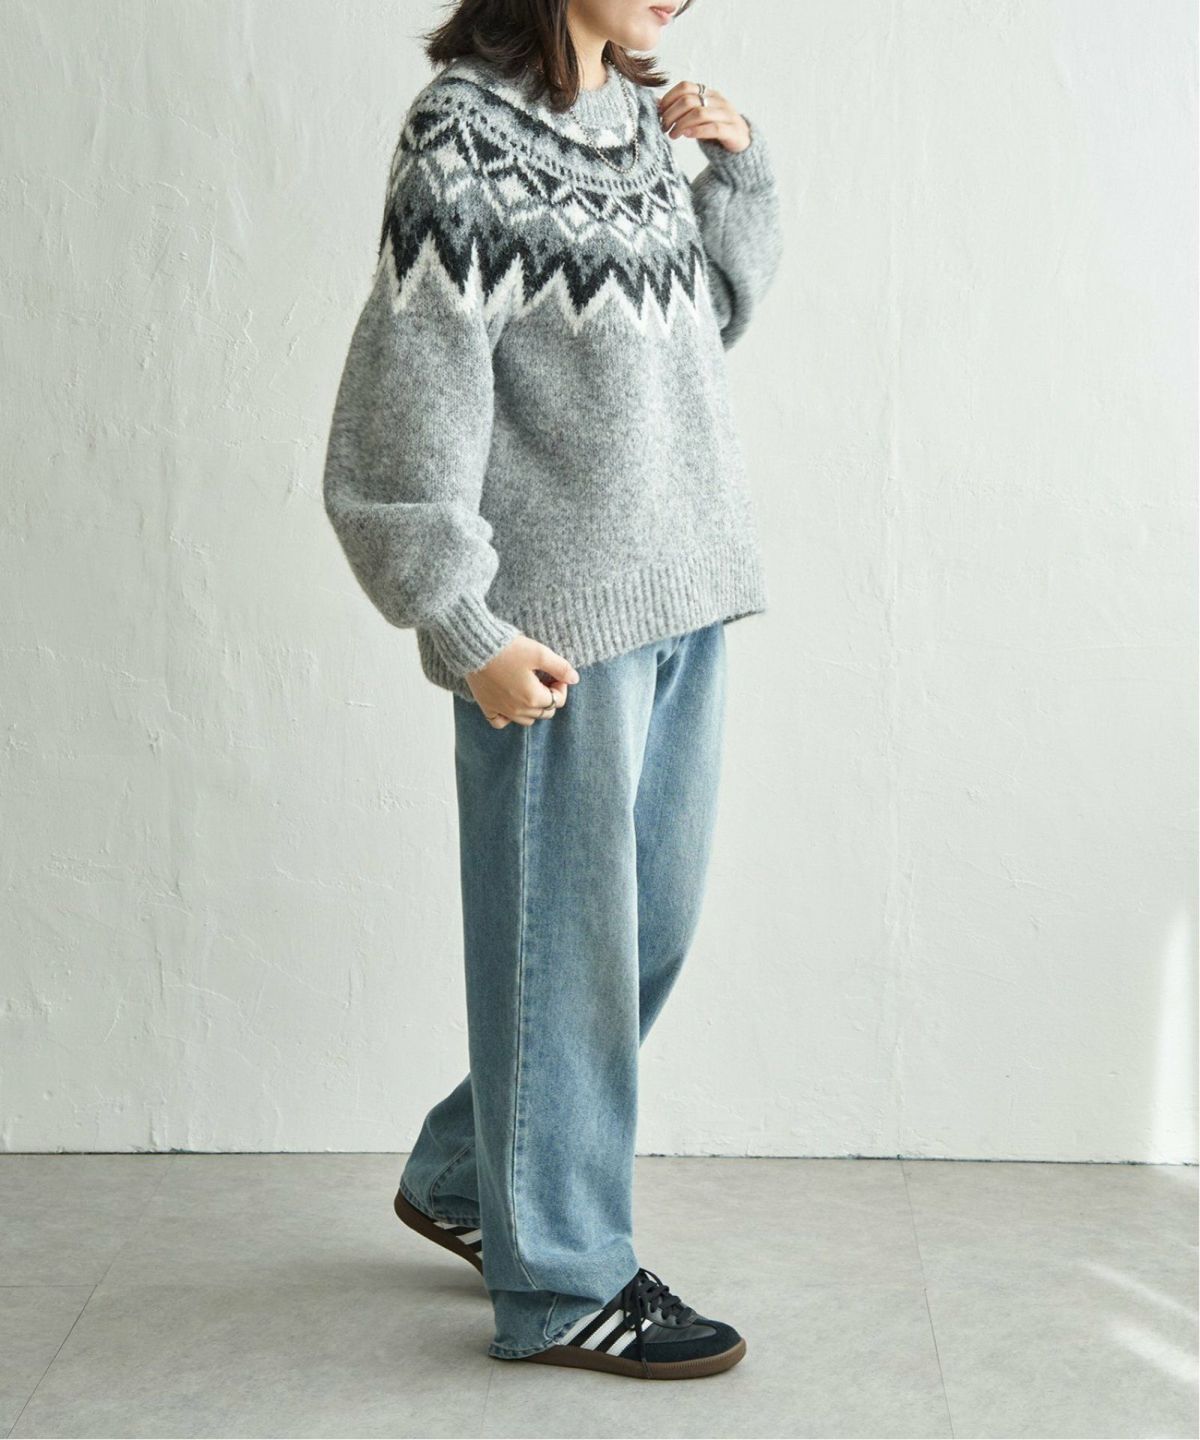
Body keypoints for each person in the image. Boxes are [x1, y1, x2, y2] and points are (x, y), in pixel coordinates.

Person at [321, 0, 782, 1381]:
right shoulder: (462, 134)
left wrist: (737, 175)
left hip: (684, 600)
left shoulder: (634, 122)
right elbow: (405, 404)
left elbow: (696, 329)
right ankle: (564, 1281)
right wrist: (462, 622)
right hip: (555, 635)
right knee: (565, 954)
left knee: (644, 936)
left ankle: (469, 1176)